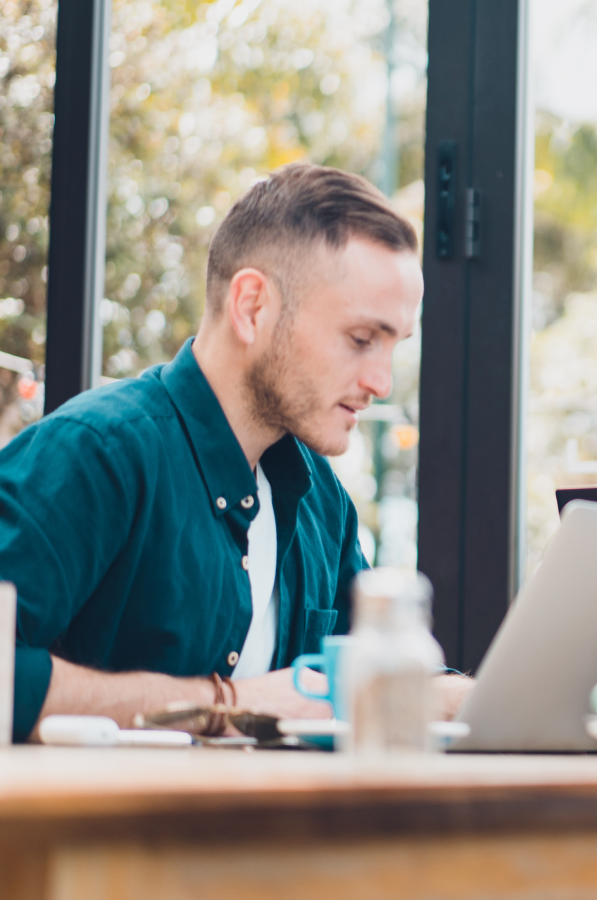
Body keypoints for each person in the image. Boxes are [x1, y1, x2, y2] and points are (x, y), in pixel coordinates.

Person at [5, 163, 470, 742]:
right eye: (360, 340)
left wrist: (472, 696)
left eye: (393, 346)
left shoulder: (322, 502)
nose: (382, 381)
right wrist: (224, 704)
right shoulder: (96, 453)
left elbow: (375, 670)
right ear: (252, 307)